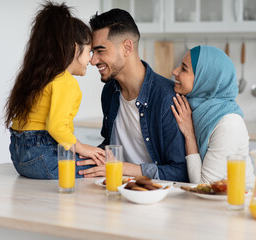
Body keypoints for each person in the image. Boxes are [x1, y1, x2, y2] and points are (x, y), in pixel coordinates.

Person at [76, 8, 189, 182]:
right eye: (92, 52)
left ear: (127, 47)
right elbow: (111, 146)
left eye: (101, 51)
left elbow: (180, 172)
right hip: (118, 189)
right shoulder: (109, 91)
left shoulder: (167, 98)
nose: (93, 61)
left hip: (156, 197)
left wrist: (120, 168)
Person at [4, 2, 104, 179]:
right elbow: (56, 126)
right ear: (75, 48)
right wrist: (81, 147)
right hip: (43, 157)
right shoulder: (66, 82)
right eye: (89, 51)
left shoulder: (40, 76)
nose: (91, 60)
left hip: (20, 158)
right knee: (98, 167)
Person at [171, 45, 255, 185]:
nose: (175, 71)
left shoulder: (228, 124)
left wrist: (189, 134)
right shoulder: (193, 109)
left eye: (184, 69)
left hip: (238, 202)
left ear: (206, 79)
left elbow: (204, 185)